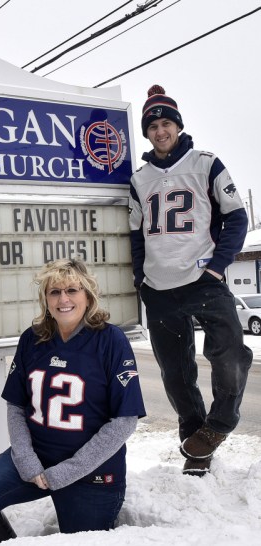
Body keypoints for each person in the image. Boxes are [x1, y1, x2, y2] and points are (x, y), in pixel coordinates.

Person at [0, 258, 146, 544]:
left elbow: (124, 422)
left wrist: (66, 472)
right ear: (45, 298)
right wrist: (26, 460)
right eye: (54, 292)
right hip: (37, 459)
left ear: (88, 295)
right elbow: (17, 406)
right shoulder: (32, 340)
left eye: (72, 290)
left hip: (91, 472)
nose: (63, 299)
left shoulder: (111, 341)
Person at [129, 85, 253, 477]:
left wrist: (217, 266)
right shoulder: (140, 178)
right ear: (146, 132)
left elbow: (236, 216)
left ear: (178, 126)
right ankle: (194, 443)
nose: (160, 131)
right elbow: (134, 233)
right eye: (153, 126)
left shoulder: (206, 163)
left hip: (203, 279)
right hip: (160, 289)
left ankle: (219, 425)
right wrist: (139, 277)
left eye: (166, 123)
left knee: (231, 353)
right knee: (175, 372)